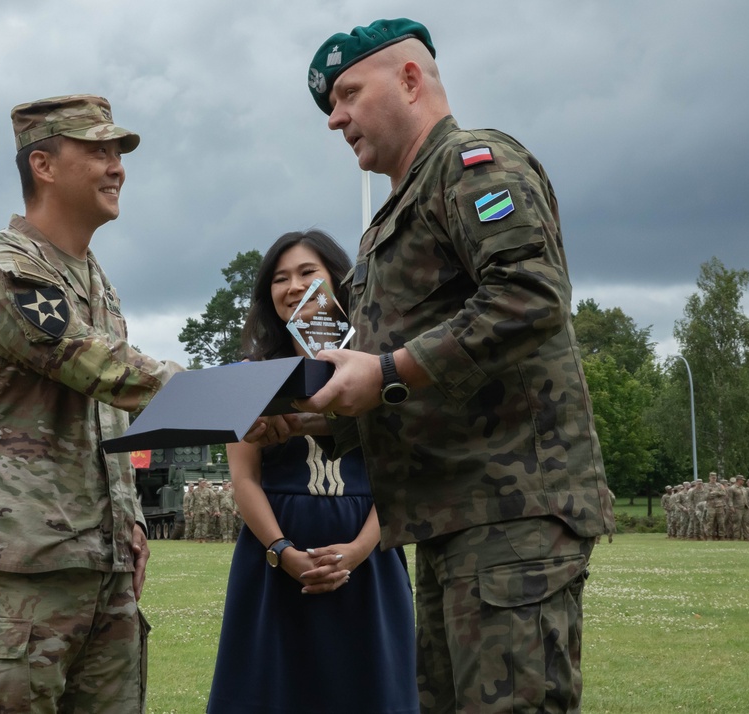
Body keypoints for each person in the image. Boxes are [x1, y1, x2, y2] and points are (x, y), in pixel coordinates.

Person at [242, 19, 616, 713]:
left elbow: (530, 296)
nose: (336, 119)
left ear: (410, 80)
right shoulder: (391, 221)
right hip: (449, 520)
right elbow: (392, 386)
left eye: (348, 94)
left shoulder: (474, 164)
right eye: (330, 106)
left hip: (512, 517)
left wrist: (386, 371)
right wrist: (299, 424)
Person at [0, 94, 182, 713]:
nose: (116, 166)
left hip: (102, 567)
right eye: (98, 151)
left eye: (118, 153)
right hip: (18, 573)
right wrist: (222, 394)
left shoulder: (98, 283)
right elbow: (95, 365)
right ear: (42, 165)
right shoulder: (1, 268)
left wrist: (131, 521)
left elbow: (108, 418)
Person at [208, 230, 418, 714]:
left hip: (369, 560)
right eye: (279, 278)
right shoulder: (249, 374)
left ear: (337, 283)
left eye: (307, 273)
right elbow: (244, 480)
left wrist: (357, 552)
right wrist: (283, 552)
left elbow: (401, 471)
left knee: (370, 690)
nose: (292, 286)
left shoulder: (378, 368)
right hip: (275, 565)